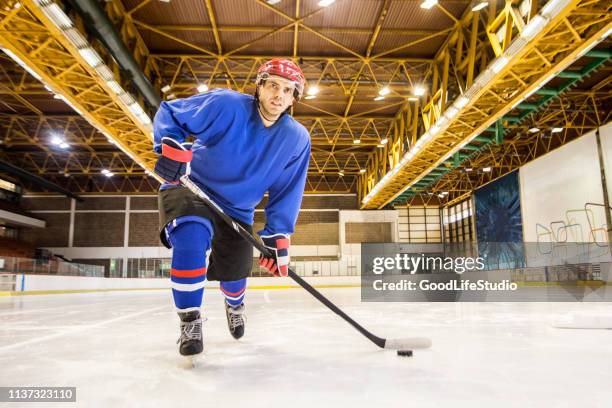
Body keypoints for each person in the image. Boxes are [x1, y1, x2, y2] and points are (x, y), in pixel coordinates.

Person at [152, 59, 311, 358]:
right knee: (190, 241)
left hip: (238, 209)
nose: (279, 95)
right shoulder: (226, 104)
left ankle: (235, 304)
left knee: (236, 270)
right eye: (273, 85)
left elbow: (288, 188)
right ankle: (190, 321)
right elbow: (171, 112)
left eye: (288, 90)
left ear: (293, 98)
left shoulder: (297, 138)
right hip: (191, 187)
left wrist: (278, 234)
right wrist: (170, 147)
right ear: (260, 86)